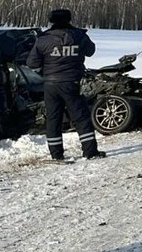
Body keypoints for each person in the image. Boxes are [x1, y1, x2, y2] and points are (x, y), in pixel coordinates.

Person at [27, 9, 105, 160]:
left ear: (52, 21)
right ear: (69, 19)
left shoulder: (43, 39)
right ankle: (90, 151)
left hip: (50, 84)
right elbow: (91, 51)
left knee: (53, 119)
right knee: (81, 117)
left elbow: (31, 62)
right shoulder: (79, 36)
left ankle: (56, 155)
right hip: (71, 83)